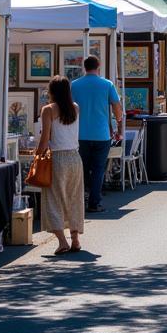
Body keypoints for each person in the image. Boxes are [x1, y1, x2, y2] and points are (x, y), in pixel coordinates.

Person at [37, 75, 85, 254]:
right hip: (75, 157)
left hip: (57, 158)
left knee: (54, 199)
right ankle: (75, 239)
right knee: (74, 198)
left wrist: (37, 156)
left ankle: (62, 241)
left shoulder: (48, 110)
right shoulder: (75, 108)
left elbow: (44, 141)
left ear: (52, 91)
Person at [70, 54, 123, 214]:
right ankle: (94, 202)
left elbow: (70, 107)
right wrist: (118, 123)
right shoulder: (107, 84)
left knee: (82, 168)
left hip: (80, 134)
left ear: (84, 67)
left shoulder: (75, 85)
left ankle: (81, 200)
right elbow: (116, 106)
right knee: (99, 168)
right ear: (98, 67)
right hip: (101, 134)